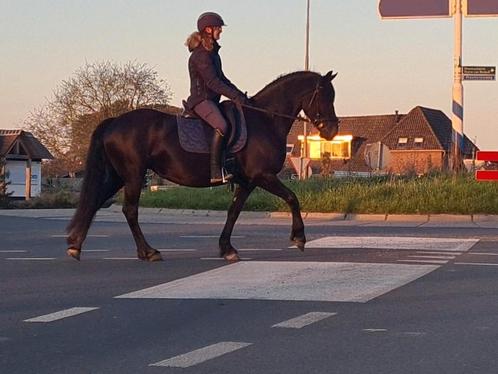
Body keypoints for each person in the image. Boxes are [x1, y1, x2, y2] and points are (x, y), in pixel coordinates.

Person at [185, 12, 248, 184]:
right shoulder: (201, 55)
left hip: (212, 101)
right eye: (218, 27)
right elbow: (212, 82)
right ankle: (215, 172)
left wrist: (239, 95)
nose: (221, 30)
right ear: (208, 29)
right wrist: (234, 96)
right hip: (201, 101)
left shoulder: (212, 53)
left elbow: (222, 79)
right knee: (222, 125)